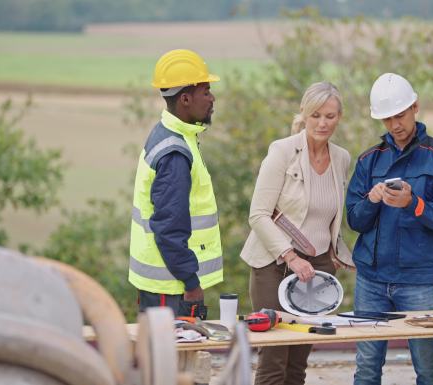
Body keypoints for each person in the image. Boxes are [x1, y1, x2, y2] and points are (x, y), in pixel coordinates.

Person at [346, 73, 433, 385]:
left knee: (427, 369)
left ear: (415, 107)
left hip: (420, 283)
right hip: (371, 281)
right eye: (386, 119)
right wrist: (371, 200)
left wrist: (415, 203)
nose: (394, 125)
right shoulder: (368, 161)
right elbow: (355, 221)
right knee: (367, 369)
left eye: (399, 115)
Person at [240, 81, 354, 385]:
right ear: (304, 114)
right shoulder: (282, 151)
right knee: (275, 356)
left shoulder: (342, 158)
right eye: (316, 115)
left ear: (339, 117)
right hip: (273, 263)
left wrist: (336, 252)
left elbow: (331, 216)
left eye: (330, 116)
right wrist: (291, 257)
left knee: (299, 358)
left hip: (317, 267)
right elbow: (258, 214)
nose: (322, 123)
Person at [128, 49, 223, 319]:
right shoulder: (174, 153)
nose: (212, 98)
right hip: (170, 286)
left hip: (165, 282)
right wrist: (191, 282)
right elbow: (169, 226)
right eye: (206, 91)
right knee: (170, 360)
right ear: (184, 98)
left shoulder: (170, 134)